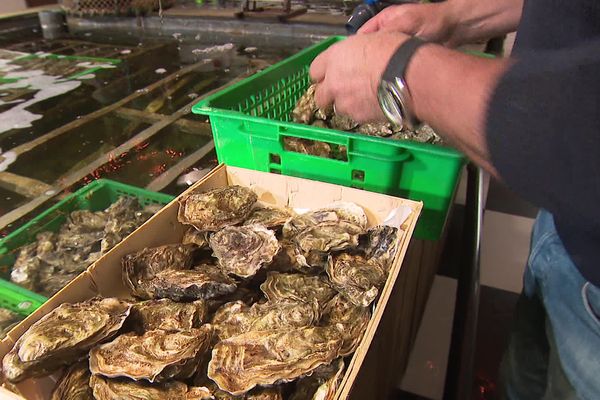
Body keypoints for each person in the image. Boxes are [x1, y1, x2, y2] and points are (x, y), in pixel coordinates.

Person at [309, 0, 600, 398]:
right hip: (565, 219)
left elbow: (586, 130)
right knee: (524, 377)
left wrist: (403, 73)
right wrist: (455, 18)